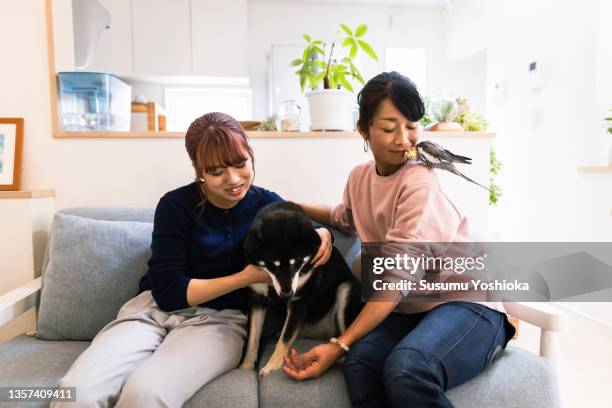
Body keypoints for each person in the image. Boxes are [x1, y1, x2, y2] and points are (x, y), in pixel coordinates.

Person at [52, 112, 333, 408]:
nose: (234, 179)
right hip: (150, 311)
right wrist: (246, 278)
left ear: (251, 155)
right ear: (198, 170)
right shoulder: (175, 205)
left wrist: (323, 232)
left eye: (241, 164)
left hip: (219, 321)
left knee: (145, 394)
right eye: (216, 171)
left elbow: (300, 228)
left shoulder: (267, 204)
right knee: (75, 391)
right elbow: (168, 291)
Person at [283, 72, 515, 408]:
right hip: (413, 309)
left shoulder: (419, 182)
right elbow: (344, 218)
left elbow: (394, 282)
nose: (404, 140)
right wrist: (288, 204)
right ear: (364, 130)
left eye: (411, 126)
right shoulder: (360, 177)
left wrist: (339, 344)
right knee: (361, 364)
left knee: (408, 368)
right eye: (389, 128)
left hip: (467, 304)